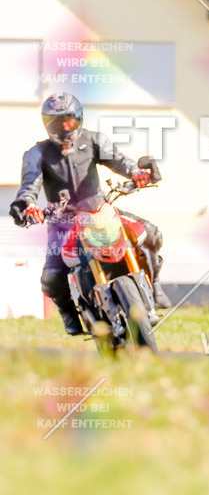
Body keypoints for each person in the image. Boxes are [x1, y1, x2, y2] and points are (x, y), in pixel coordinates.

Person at [9, 93, 170, 336]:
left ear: (79, 119)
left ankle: (155, 285)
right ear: (47, 124)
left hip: (100, 211)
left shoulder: (95, 140)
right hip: (63, 221)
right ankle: (68, 313)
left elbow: (120, 161)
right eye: (58, 122)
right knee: (51, 277)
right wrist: (27, 205)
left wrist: (137, 172)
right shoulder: (36, 154)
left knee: (152, 234)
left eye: (70, 120)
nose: (65, 126)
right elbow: (29, 186)